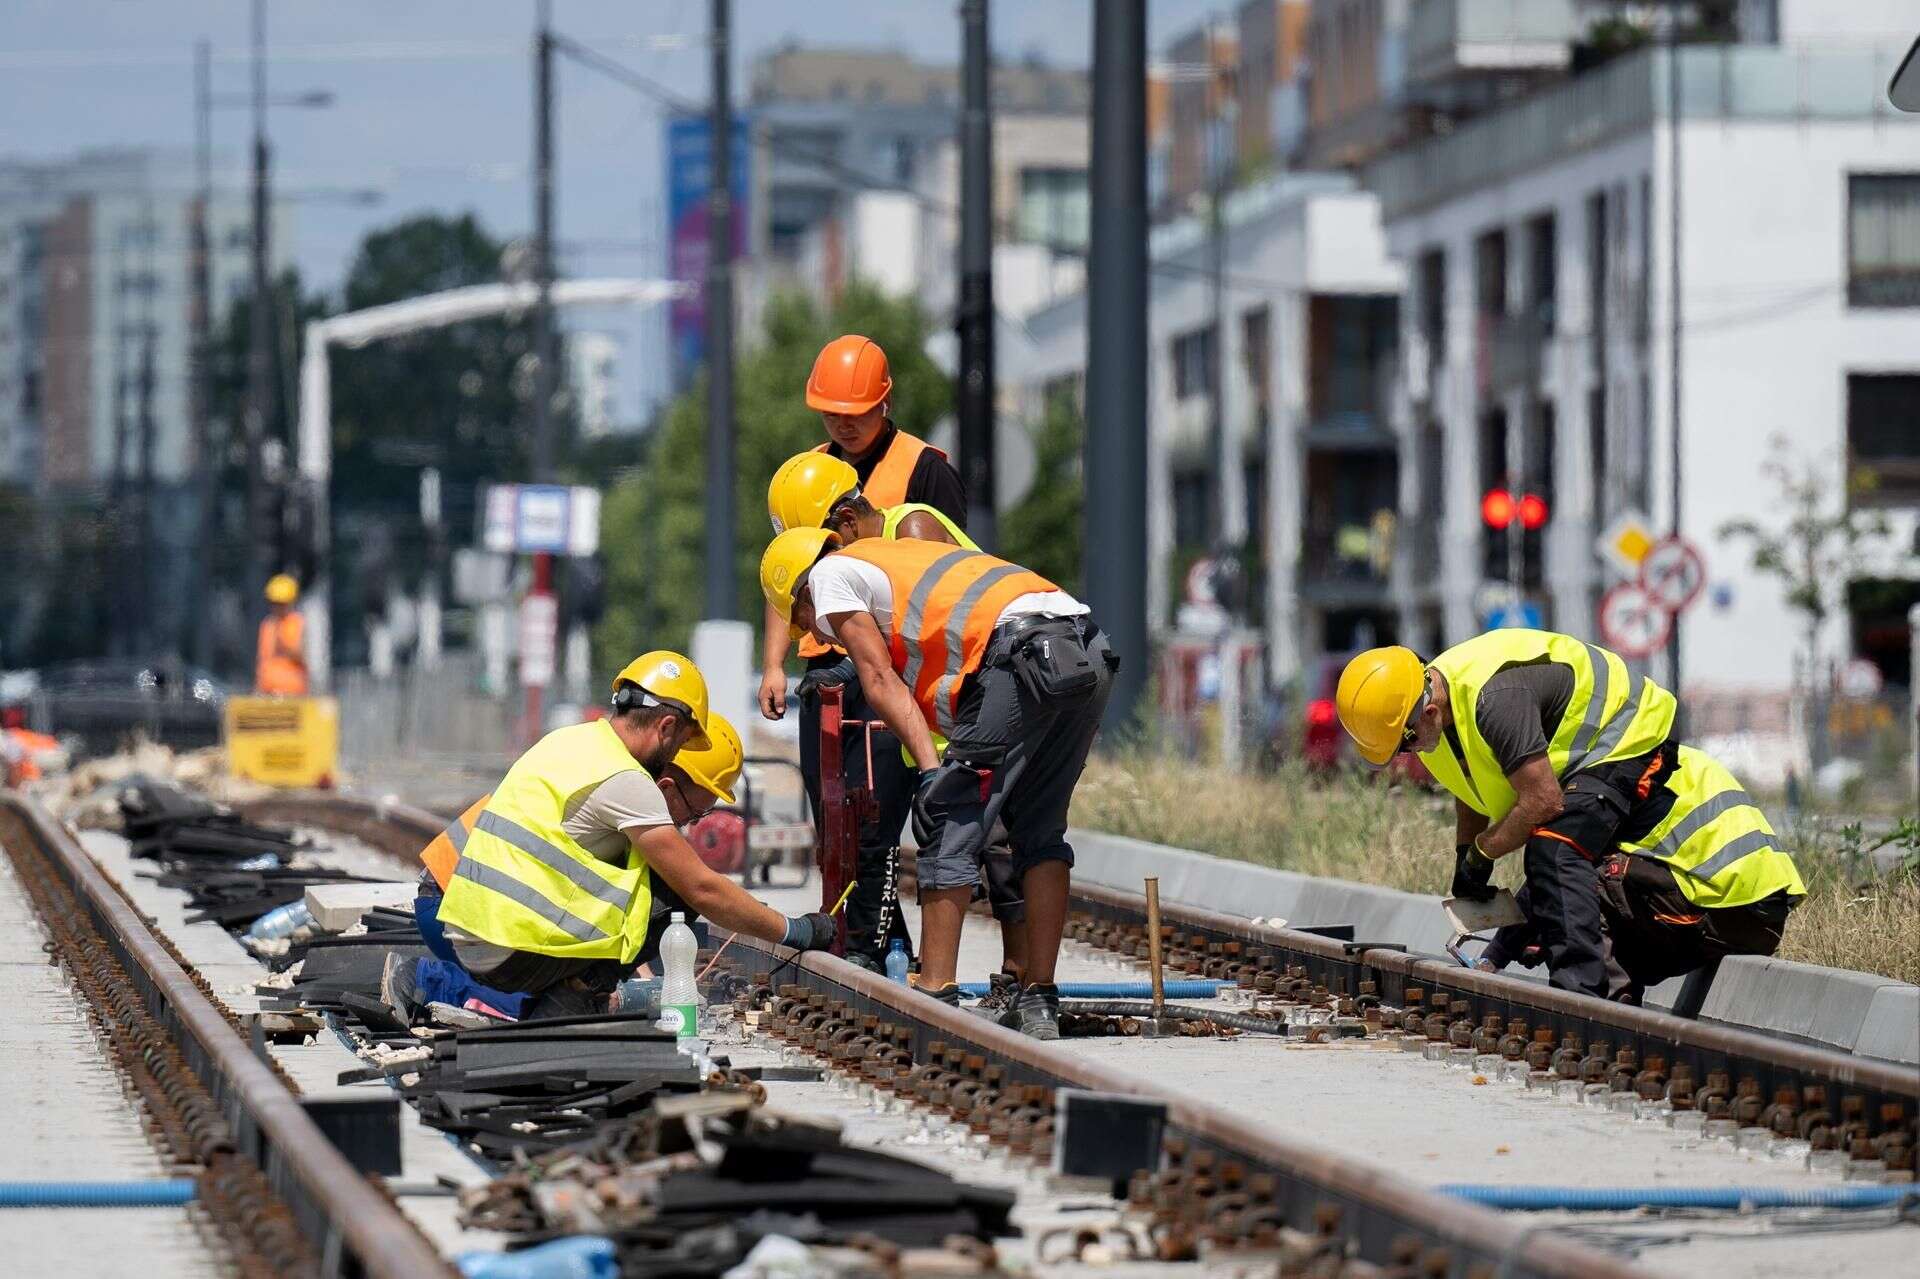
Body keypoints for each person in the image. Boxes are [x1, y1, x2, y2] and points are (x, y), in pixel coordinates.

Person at [760, 527, 1117, 1040]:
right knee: (1039, 830)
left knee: (948, 818)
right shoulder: (895, 557)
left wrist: (931, 772)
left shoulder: (830, 576)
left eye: (802, 622)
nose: (821, 634)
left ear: (800, 593)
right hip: (1084, 648)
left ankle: (934, 998)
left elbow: (879, 681)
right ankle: (1039, 999)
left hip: (1021, 654)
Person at [1335, 632, 1805, 1002]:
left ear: (1430, 712)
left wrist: (1484, 855)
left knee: (1559, 853)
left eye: (1405, 742)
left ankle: (1582, 998)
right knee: (1566, 874)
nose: (1406, 754)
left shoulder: (1494, 700)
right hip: (1697, 894)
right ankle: (1605, 999)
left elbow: (1544, 809)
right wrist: (1470, 869)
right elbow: (1474, 794)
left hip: (1626, 739)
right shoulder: (1439, 726)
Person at [414, 651, 836, 1021]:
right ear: (667, 728)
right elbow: (702, 889)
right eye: (679, 746)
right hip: (506, 950)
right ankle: (561, 1012)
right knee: (674, 892)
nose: (672, 760)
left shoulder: (572, 740)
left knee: (648, 879)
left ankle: (561, 1001)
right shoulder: (626, 780)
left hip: (472, 926)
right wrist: (791, 929)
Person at [763, 450, 1030, 994]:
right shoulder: (865, 552)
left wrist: (857, 661)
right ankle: (920, 965)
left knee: (999, 841)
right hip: (944, 704)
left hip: (986, 685)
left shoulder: (914, 526)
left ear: (841, 524)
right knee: (944, 839)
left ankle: (1022, 979)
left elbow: (937, 615)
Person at [755, 335, 969, 971]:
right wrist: (774, 662)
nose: (843, 424)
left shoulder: (926, 468)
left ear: (884, 400)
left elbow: (947, 576)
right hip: (827, 667)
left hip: (892, 668)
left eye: (856, 411)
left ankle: (877, 946)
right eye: (831, 412)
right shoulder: (809, 472)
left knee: (874, 820)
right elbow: (782, 573)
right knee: (834, 817)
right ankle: (871, 940)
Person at [401, 710, 750, 1022]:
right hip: (455, 905)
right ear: (667, 781)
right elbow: (641, 909)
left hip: (457, 894)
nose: (688, 823)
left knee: (561, 993)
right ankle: (430, 980)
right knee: (530, 1004)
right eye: (694, 810)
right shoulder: (626, 795)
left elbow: (616, 906)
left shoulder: (605, 764)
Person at [255, 574, 309, 695]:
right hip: (268, 693)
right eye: (275, 603)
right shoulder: (267, 625)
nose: (277, 608)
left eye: (282, 603)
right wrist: (257, 688)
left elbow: (303, 656)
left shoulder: (297, 623)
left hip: (292, 694)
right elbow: (262, 661)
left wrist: (284, 646)